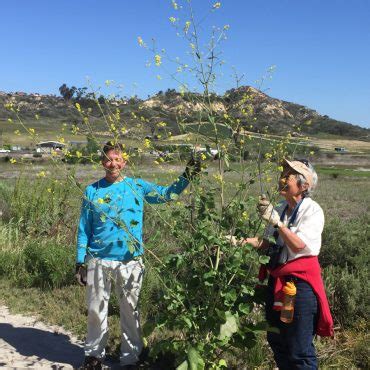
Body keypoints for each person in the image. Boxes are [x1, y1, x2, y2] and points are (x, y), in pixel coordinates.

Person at [75, 141, 200, 369]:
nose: (112, 163)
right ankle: (94, 356)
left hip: (130, 261)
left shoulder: (136, 186)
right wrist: (80, 260)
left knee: (130, 311)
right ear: (102, 162)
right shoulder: (92, 190)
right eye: (108, 159)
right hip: (98, 259)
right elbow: (84, 228)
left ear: (124, 162)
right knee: (95, 310)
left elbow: (166, 195)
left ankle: (131, 357)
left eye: (117, 159)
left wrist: (187, 176)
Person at [230, 159, 333, 369]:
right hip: (279, 284)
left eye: (289, 175)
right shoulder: (281, 207)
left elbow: (297, 246)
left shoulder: (312, 210)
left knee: (299, 349)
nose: (282, 178)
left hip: (299, 286)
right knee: (278, 341)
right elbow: (269, 244)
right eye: (283, 173)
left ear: (304, 186)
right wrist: (241, 241)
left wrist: (276, 222)